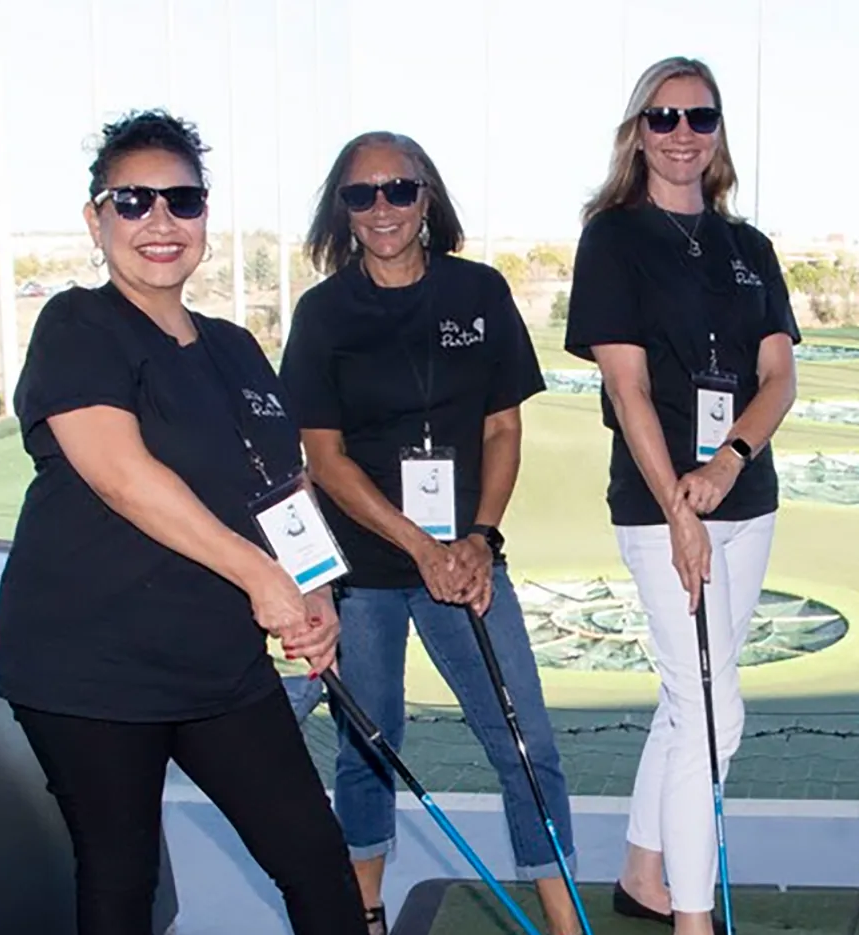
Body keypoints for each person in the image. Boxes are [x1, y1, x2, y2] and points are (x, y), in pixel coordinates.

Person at [0, 109, 368, 935]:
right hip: (88, 662)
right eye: (133, 202)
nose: (160, 223)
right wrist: (261, 576)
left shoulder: (235, 346)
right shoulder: (78, 325)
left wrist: (315, 589)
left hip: (216, 662)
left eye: (182, 201)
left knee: (314, 858)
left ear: (204, 216)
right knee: (122, 879)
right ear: (96, 220)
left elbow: (284, 483)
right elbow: (126, 477)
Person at [279, 131, 579, 935]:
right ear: (341, 210)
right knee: (369, 748)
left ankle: (563, 921)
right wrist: (423, 546)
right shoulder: (324, 312)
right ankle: (364, 913)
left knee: (525, 745)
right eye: (360, 194)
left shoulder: (480, 292)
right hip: (367, 566)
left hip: (468, 559)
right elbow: (325, 457)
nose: (381, 208)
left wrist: (478, 539)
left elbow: (504, 432)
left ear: (428, 197)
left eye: (398, 189)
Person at [563, 56, 800, 935]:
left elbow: (778, 377)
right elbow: (627, 391)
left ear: (718, 130)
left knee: (688, 698)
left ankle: (641, 869)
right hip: (659, 503)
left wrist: (731, 462)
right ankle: (694, 920)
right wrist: (680, 510)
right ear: (638, 131)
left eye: (698, 116)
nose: (681, 133)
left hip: (748, 495)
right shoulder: (613, 237)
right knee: (712, 714)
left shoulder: (751, 248)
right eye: (661, 117)